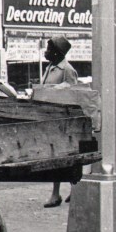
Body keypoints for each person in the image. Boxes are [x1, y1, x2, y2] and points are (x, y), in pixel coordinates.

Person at [41, 35, 78, 208]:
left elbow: (72, 91)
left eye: (49, 49)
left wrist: (55, 89)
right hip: (50, 119)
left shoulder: (67, 70)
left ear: (57, 52)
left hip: (63, 122)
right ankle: (57, 193)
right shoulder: (50, 68)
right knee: (55, 157)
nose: (46, 52)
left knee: (65, 157)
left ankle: (69, 191)